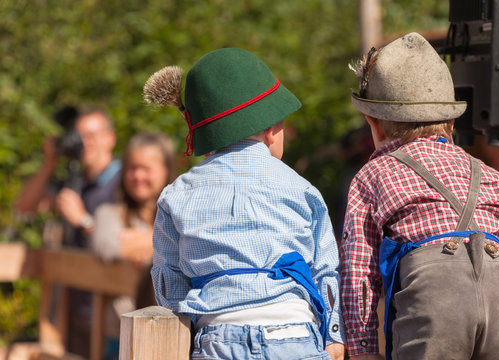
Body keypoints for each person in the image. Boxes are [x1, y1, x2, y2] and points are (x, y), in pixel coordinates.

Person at [340, 32, 499, 360]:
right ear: (452, 120)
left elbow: (358, 270)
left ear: (373, 122)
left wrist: (362, 349)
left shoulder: (373, 175)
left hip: (435, 305)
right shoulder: (498, 180)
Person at [145, 48, 345, 360]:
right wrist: (333, 334)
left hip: (219, 340)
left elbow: (168, 280)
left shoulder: (176, 194)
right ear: (269, 130)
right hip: (295, 336)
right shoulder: (301, 188)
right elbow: (324, 270)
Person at [14, 106, 121, 358]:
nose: (84, 143)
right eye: (79, 136)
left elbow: (129, 241)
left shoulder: (125, 183)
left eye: (91, 136)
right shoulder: (76, 182)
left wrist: (83, 219)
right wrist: (50, 163)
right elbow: (23, 207)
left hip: (110, 311)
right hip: (74, 307)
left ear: (110, 138)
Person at [90, 131, 176, 359]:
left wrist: (144, 241)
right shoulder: (109, 213)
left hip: (171, 336)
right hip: (121, 339)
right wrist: (160, 245)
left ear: (166, 169)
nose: (137, 175)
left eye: (146, 168)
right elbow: (106, 247)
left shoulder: (180, 215)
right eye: (131, 168)